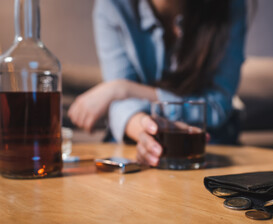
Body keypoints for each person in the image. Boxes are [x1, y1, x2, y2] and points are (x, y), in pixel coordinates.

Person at [68, 0, 247, 166]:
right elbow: (120, 107)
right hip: (138, 136)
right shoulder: (113, 5)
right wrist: (144, 129)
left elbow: (216, 106)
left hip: (209, 142)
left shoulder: (230, 5)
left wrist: (123, 88)